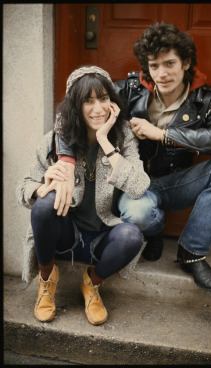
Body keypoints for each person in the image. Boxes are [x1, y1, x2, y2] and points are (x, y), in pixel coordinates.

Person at [54, 22, 211, 291]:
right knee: (139, 214)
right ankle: (153, 233)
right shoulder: (130, 90)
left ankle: (192, 253)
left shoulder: (205, 99)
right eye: (154, 66)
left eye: (169, 64)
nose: (162, 74)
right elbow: (68, 111)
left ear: (186, 62)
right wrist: (66, 161)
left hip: (178, 182)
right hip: (136, 187)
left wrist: (163, 134)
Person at [16, 65, 150, 325]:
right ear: (75, 106)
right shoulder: (55, 141)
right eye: (87, 101)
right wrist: (40, 188)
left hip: (102, 235)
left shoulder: (123, 138)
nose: (97, 108)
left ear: (112, 102)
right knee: (44, 205)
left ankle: (92, 283)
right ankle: (46, 279)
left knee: (131, 236)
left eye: (103, 98)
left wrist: (106, 142)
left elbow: (138, 186)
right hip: (66, 234)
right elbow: (22, 186)